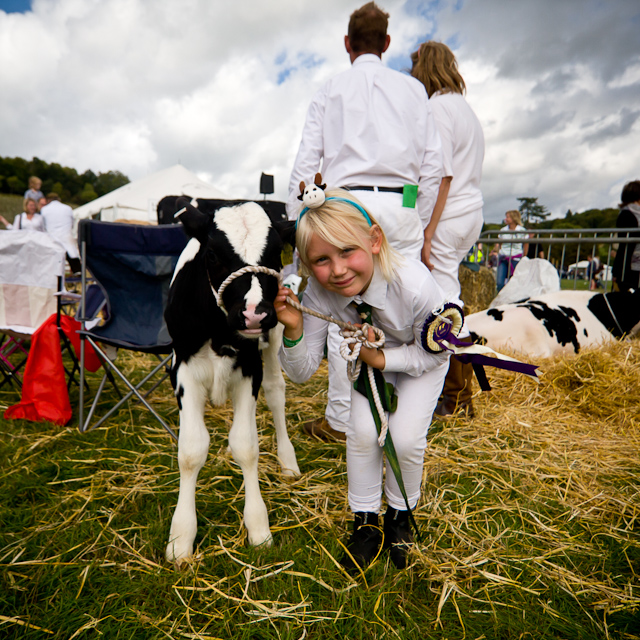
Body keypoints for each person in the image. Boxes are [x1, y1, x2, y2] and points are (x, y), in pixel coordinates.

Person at [287, 2, 443, 441]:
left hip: (343, 211)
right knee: (403, 313)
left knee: (346, 313)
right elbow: (432, 167)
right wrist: (420, 222)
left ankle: (346, 420)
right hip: (401, 206)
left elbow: (304, 167)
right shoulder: (413, 91)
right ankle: (401, 413)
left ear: (347, 44)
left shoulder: (330, 88)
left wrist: (303, 227)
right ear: (387, 44)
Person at [276, 189, 449, 572]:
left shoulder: (414, 285)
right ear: (305, 263)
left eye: (346, 252)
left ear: (374, 240)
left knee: (403, 437)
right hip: (373, 363)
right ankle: (366, 522)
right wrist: (293, 330)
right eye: (321, 260)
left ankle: (400, 516)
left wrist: (384, 357)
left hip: (421, 361)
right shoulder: (320, 295)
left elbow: (438, 352)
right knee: (360, 433)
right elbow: (302, 372)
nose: (337, 270)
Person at [409, 41, 484, 418]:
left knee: (444, 303)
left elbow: (440, 175)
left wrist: (425, 231)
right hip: (470, 212)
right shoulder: (465, 108)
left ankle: (456, 397)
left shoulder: (436, 107)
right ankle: (456, 393)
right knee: (450, 298)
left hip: (448, 215)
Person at [40, 192, 81, 273]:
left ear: (48, 200)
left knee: (53, 262)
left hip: (52, 238)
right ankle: (77, 273)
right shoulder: (68, 208)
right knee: (72, 254)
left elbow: (43, 226)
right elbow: (72, 222)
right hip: (66, 236)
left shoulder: (44, 209)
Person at [612, 180, 640, 293]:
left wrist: (617, 272)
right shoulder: (631, 214)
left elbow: (625, 246)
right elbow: (626, 245)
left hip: (630, 268)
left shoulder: (626, 214)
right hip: (633, 268)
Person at [494, 210, 529, 291]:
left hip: (516, 258)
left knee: (515, 282)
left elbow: (526, 244)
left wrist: (524, 256)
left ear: (514, 218)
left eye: (508, 217)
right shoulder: (503, 230)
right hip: (503, 257)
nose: (505, 219)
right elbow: (499, 242)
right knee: (499, 282)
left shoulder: (522, 230)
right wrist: (497, 250)